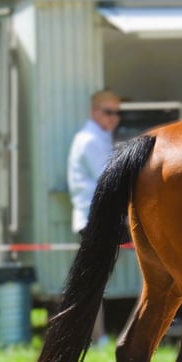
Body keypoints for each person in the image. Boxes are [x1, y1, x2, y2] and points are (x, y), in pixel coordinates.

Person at [67, 89, 122, 345]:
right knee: (93, 282)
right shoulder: (90, 140)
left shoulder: (99, 137)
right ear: (94, 112)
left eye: (117, 113)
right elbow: (110, 178)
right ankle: (94, 339)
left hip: (99, 219)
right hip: (94, 220)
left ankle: (92, 338)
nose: (113, 118)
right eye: (108, 112)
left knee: (93, 280)